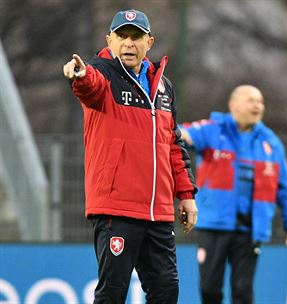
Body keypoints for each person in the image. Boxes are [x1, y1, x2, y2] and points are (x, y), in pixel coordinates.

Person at [62, 9, 198, 304]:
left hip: (158, 212)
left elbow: (173, 143)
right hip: (117, 208)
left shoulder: (164, 87)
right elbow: (89, 87)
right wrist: (81, 76)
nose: (128, 43)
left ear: (149, 42)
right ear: (109, 40)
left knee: (166, 291)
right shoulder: (102, 73)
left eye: (135, 37)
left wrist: (186, 194)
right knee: (112, 294)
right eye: (121, 36)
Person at [179, 85, 287, 304]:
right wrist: (179, 135)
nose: (258, 105)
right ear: (233, 105)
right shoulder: (214, 129)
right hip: (215, 225)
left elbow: (284, 188)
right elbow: (181, 133)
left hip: (250, 228)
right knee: (209, 289)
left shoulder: (271, 143)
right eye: (251, 100)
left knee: (243, 290)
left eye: (260, 101)